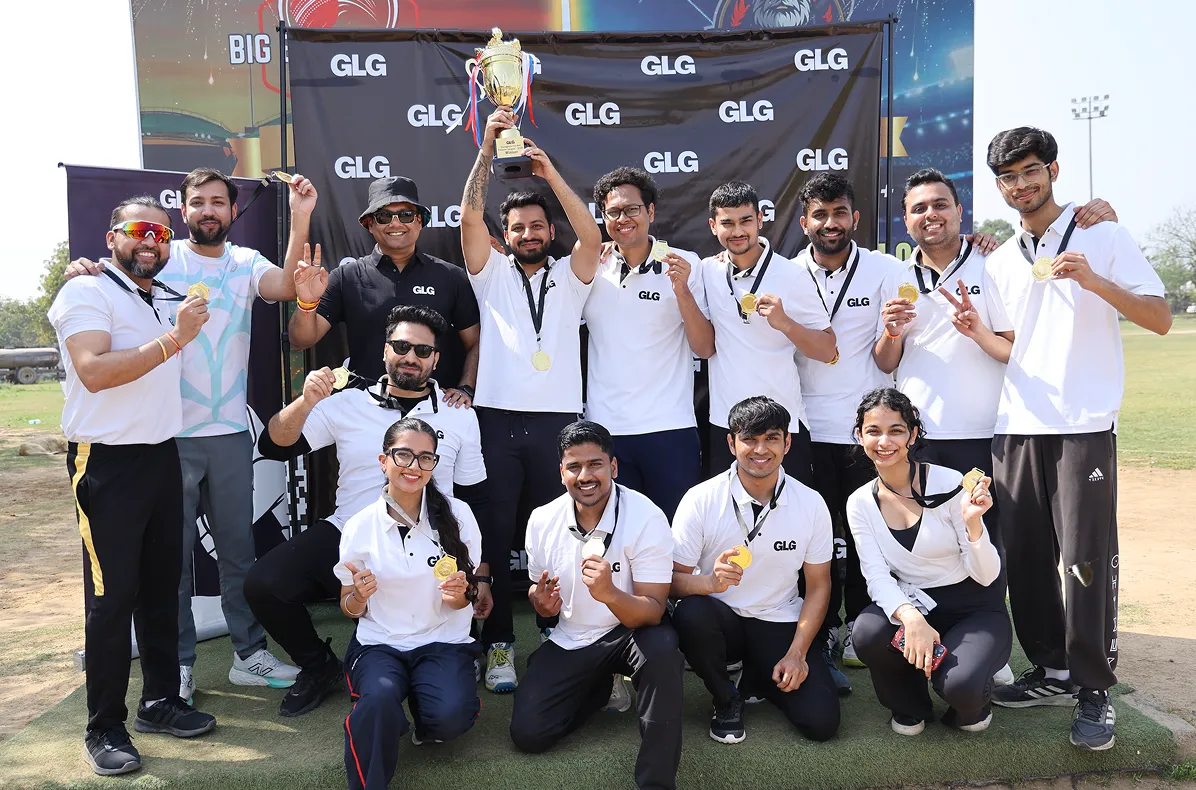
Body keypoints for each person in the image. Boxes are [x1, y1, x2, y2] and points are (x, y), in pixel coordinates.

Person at [67, 167, 316, 699]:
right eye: (198, 201)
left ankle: (248, 655)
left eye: (219, 202)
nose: (209, 210)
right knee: (171, 565)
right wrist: (84, 267)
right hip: (167, 437)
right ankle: (176, 665)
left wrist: (301, 218)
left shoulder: (246, 262)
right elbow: (111, 275)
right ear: (183, 211)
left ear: (231, 211)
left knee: (238, 555)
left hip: (228, 434)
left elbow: (286, 284)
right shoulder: (160, 255)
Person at [981, 127, 1170, 750]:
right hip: (1016, 425)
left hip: (1082, 423)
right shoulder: (1002, 260)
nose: (1021, 185)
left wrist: (1095, 283)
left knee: (1084, 561)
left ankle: (1093, 687)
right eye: (1008, 177)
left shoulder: (1102, 233)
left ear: (1053, 171)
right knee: (1028, 559)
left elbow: (1160, 317)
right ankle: (1052, 668)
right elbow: (1014, 344)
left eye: (1030, 172)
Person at [249, 305, 490, 716]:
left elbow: (475, 498)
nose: (410, 357)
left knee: (442, 656)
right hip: (353, 533)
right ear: (384, 351)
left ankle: (444, 665)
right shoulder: (347, 405)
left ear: (436, 359)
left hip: (430, 540)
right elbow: (274, 446)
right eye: (401, 346)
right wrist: (305, 402)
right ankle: (319, 665)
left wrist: (481, 574)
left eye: (421, 350)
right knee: (263, 582)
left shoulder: (459, 414)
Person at [48, 196, 216, 776]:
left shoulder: (151, 296)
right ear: (112, 235)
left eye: (162, 234)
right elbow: (94, 372)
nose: (152, 242)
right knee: (112, 598)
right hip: (106, 464)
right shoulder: (85, 291)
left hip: (161, 457)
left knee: (162, 589)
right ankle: (104, 727)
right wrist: (176, 339)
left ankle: (160, 702)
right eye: (140, 230)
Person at [460, 107, 602, 691]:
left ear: (549, 230)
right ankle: (497, 647)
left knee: (558, 534)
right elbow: (470, 212)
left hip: (560, 427)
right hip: (495, 421)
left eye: (537, 225)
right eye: (516, 227)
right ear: (505, 235)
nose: (528, 234)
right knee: (494, 534)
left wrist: (550, 175)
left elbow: (591, 233)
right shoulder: (488, 272)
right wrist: (489, 151)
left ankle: (557, 636)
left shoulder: (571, 274)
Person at [511, 421, 683, 790]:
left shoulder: (646, 515)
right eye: (574, 467)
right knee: (530, 735)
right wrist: (539, 603)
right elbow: (540, 598)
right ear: (561, 472)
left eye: (595, 465)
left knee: (663, 650)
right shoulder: (542, 520)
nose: (585, 476)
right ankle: (599, 687)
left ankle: (656, 781)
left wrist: (610, 594)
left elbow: (653, 609)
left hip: (634, 630)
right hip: (574, 636)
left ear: (614, 468)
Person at [671, 396, 839, 745]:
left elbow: (819, 587)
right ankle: (725, 697)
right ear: (731, 443)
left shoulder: (810, 502)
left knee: (821, 723)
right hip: (722, 622)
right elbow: (671, 583)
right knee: (691, 612)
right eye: (749, 438)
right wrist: (709, 582)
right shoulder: (700, 499)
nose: (760, 449)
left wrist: (797, 654)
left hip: (778, 620)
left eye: (771, 438)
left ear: (787, 443)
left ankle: (761, 676)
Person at [790, 173, 902, 692]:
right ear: (803, 221)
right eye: (819, 214)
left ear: (855, 218)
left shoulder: (886, 268)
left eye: (839, 213)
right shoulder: (785, 273)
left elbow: (939, 267)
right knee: (817, 537)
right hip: (806, 427)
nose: (829, 223)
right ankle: (820, 628)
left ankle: (862, 625)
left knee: (864, 536)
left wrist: (980, 242)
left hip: (866, 433)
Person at [846, 388, 1009, 736]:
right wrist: (910, 617)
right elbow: (875, 576)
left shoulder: (951, 483)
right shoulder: (859, 502)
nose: (884, 441)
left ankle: (970, 685)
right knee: (868, 631)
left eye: (896, 430)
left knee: (964, 696)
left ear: (913, 435)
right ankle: (909, 705)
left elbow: (987, 575)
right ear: (860, 436)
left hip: (974, 606)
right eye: (873, 431)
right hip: (915, 601)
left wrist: (974, 524)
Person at [337, 418, 483, 790]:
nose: (414, 467)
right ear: (383, 460)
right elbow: (349, 609)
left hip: (441, 640)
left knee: (450, 717)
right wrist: (359, 596)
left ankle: (420, 712)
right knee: (379, 701)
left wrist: (457, 597)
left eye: (425, 458)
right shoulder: (358, 526)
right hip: (380, 643)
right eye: (404, 455)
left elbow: (464, 601)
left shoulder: (458, 516)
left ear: (435, 465)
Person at [584, 166, 713, 519]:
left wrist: (681, 290)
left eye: (631, 209)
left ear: (650, 212)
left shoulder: (686, 264)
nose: (622, 219)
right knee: (621, 544)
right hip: (606, 431)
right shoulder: (590, 266)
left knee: (676, 542)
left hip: (670, 429)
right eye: (613, 212)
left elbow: (704, 347)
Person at [288, 175, 480, 402]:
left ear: (420, 221)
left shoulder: (451, 277)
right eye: (384, 216)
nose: (395, 223)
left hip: (434, 411)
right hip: (364, 412)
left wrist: (466, 387)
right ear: (370, 224)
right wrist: (307, 303)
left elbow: (477, 343)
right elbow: (300, 340)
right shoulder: (346, 277)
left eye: (406, 215)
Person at [698, 181, 836, 482]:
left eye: (746, 221)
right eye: (728, 223)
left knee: (791, 519)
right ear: (713, 226)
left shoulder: (793, 275)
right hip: (727, 424)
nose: (738, 231)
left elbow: (828, 350)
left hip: (782, 423)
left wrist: (785, 323)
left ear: (760, 220)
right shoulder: (707, 270)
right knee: (728, 523)